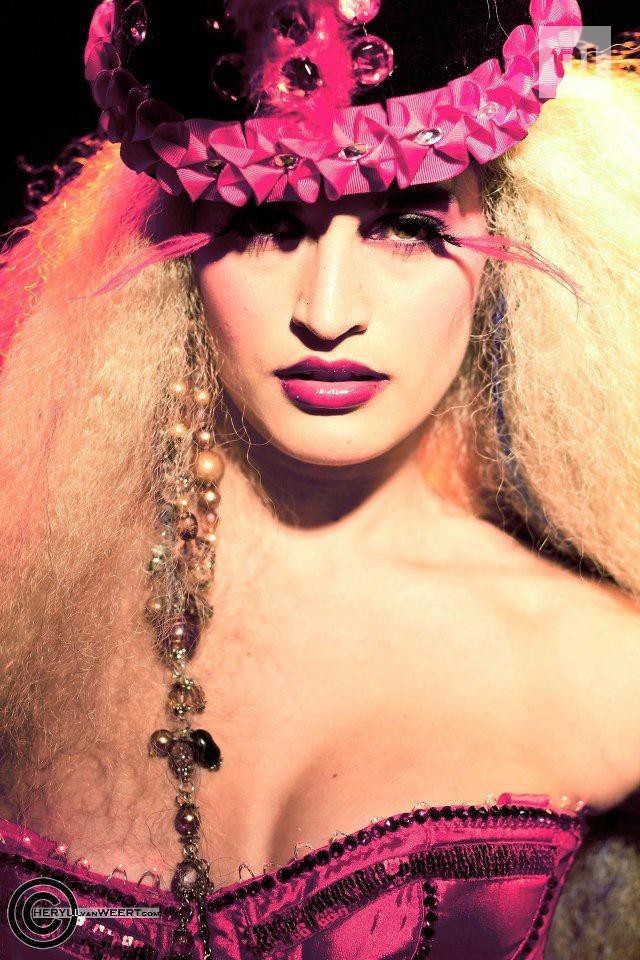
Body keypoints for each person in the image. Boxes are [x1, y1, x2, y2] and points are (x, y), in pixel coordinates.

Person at [0, 0, 639, 957]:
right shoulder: (25, 603)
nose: (329, 312)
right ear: (174, 245)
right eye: (266, 223)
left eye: (408, 226)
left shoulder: (607, 670)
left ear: (514, 237)